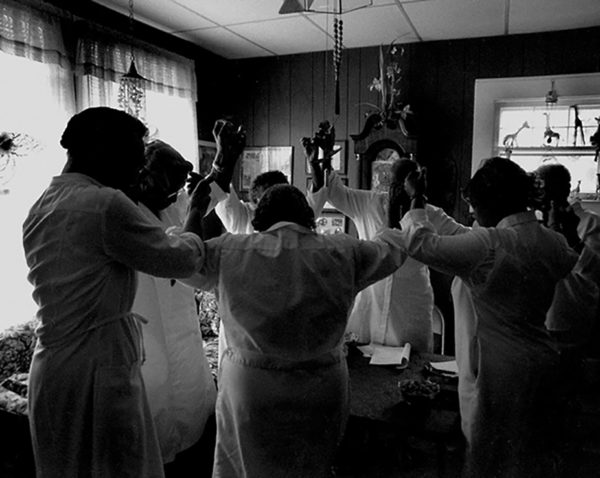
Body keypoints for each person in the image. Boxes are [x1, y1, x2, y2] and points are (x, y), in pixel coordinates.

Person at [21, 108, 239, 478]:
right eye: (134, 160)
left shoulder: (44, 204)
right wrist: (196, 212)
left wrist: (220, 167)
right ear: (103, 150)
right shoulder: (106, 205)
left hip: (58, 370)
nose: (136, 172)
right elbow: (182, 259)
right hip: (97, 372)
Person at [184, 183, 408, 478]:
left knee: (247, 467)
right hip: (320, 386)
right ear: (308, 217)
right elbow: (391, 250)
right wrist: (395, 215)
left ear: (259, 220)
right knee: (312, 466)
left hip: (252, 387)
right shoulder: (343, 251)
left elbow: (183, 257)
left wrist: (194, 211)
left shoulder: (230, 250)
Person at [401, 157, 578, 478]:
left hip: (496, 373)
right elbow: (567, 259)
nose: (472, 214)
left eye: (475, 206)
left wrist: (415, 201)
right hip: (543, 362)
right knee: (528, 455)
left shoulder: (490, 244)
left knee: (490, 459)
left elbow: (420, 243)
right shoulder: (552, 241)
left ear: (493, 202)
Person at [309, 122, 462, 352]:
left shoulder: (430, 214)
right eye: (396, 183)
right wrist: (326, 158)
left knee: (412, 363)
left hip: (410, 303)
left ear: (416, 184)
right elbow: (333, 192)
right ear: (387, 183)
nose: (401, 189)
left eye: (407, 183)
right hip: (371, 302)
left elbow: (462, 237)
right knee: (362, 360)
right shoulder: (368, 203)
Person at [132, 140, 217, 472]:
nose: (176, 194)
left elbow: (206, 198)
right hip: (149, 341)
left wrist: (223, 160)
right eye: (171, 184)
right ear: (147, 176)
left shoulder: (169, 205)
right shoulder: (126, 215)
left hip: (185, 341)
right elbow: (183, 258)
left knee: (194, 428)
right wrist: (195, 211)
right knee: (157, 440)